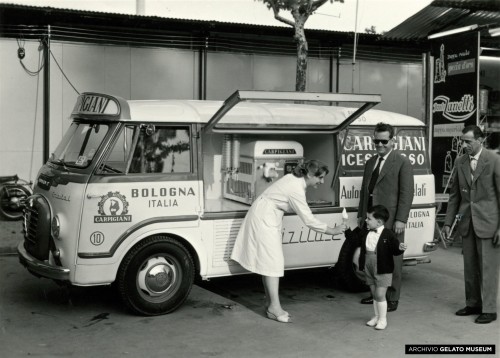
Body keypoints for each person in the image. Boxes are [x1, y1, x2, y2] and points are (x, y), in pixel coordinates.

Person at [230, 159, 347, 323]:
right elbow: (308, 220)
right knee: (273, 263)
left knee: (269, 263)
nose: (321, 182)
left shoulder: (295, 180)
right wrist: (332, 230)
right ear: (309, 174)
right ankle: (274, 307)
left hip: (266, 215)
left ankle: (271, 305)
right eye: (320, 178)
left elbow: (291, 205)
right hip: (264, 218)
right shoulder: (295, 187)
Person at [443, 125, 500, 324]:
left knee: (488, 268)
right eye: (462, 141)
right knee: (470, 267)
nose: (464, 145)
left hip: (489, 224)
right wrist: (448, 223)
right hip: (467, 223)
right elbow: (454, 196)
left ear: (480, 140)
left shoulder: (494, 160)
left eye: (468, 141)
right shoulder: (460, 162)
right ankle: (473, 303)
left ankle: (490, 309)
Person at [357, 122, 414, 312]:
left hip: (391, 220)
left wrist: (401, 219)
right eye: (376, 141)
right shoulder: (371, 162)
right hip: (372, 219)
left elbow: (407, 193)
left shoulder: (402, 162)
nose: (380, 145)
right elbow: (365, 192)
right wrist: (361, 215)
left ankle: (392, 297)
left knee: (392, 259)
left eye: (384, 141)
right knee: (371, 257)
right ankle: (376, 295)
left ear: (393, 141)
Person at [346, 205, 406, 330]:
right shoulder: (365, 231)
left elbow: (395, 249)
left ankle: (383, 319)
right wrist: (347, 230)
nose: (366, 221)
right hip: (368, 265)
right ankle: (376, 316)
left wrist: (400, 248)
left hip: (383, 267)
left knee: (380, 294)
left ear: (378, 222)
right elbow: (354, 240)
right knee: (374, 294)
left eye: (369, 219)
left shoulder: (388, 234)